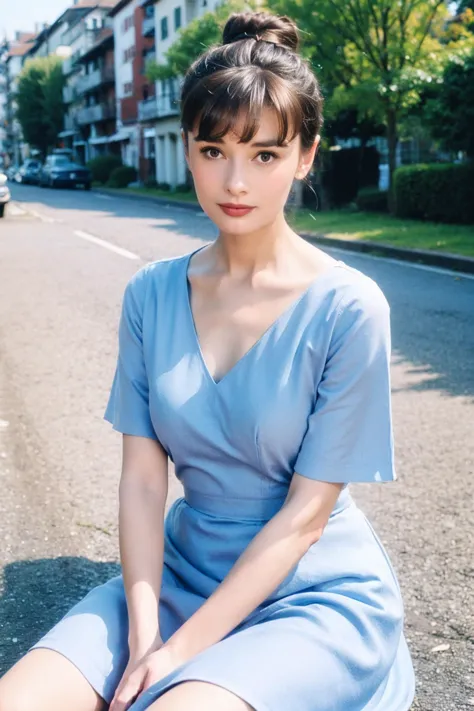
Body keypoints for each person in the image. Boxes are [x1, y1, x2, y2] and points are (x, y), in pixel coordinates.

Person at [0, 11, 416, 711]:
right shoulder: (151, 293)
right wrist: (142, 631)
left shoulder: (350, 308)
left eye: (264, 155)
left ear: (305, 155)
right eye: (213, 149)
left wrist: (178, 655)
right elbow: (141, 480)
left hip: (311, 592)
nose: (235, 181)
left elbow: (305, 519)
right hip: (177, 574)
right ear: (188, 148)